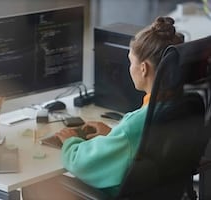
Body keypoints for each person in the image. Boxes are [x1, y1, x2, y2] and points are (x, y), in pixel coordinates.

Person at [22, 16, 184, 200]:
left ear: (144, 68)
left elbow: (82, 164)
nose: (130, 68)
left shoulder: (136, 124)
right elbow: (137, 145)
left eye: (131, 62)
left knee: (38, 183)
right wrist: (111, 136)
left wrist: (71, 141)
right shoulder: (186, 106)